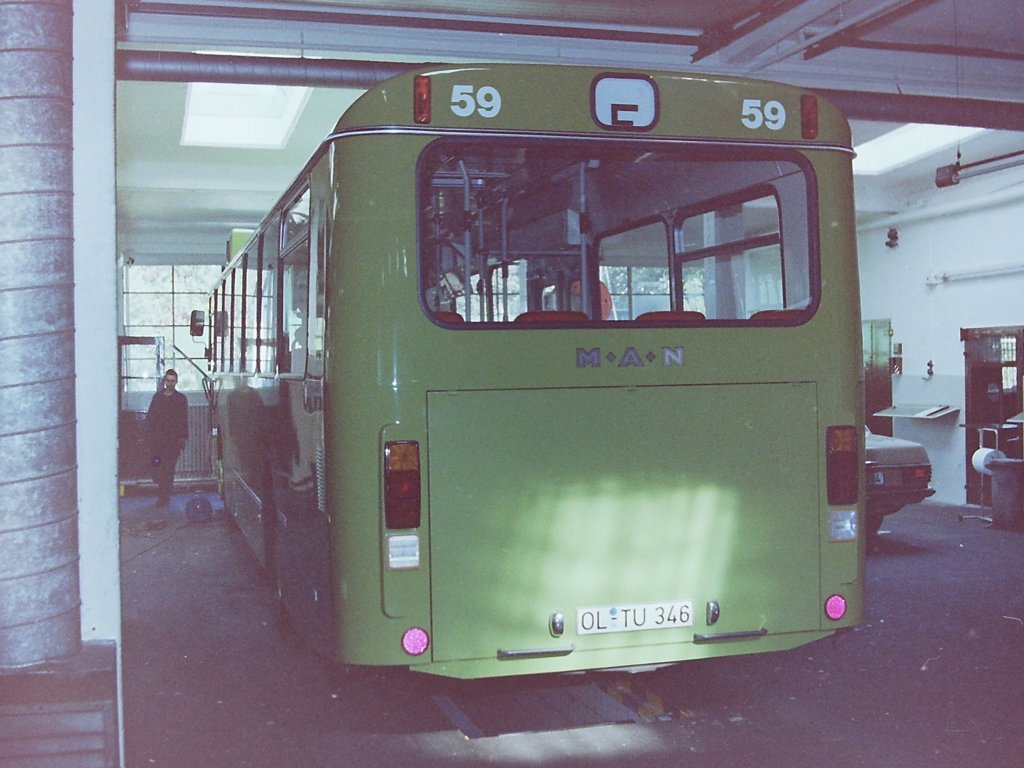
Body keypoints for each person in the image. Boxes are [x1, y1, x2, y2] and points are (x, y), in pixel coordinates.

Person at [145, 368, 189, 507]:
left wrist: (183, 438)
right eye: (168, 380)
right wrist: (147, 436)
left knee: (168, 469)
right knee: (156, 466)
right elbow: (151, 417)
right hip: (157, 441)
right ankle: (164, 489)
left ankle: (164, 496)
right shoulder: (157, 397)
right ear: (164, 381)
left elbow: (184, 419)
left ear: (176, 382)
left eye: (172, 381)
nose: (170, 383)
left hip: (173, 442)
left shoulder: (181, 399)